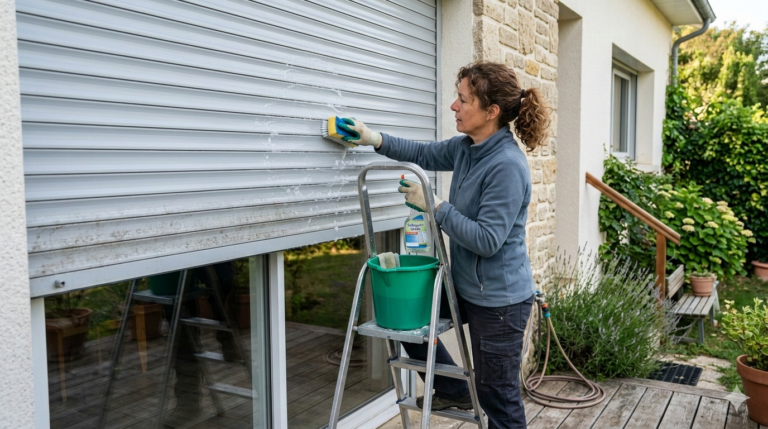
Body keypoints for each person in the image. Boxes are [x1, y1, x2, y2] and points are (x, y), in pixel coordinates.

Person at [336, 62, 552, 428]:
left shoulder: (507, 165)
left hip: (499, 303)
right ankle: (454, 389)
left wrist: (435, 206)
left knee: (498, 399)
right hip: (465, 287)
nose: (454, 105)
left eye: (463, 100)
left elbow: (487, 240)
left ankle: (466, 393)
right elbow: (423, 153)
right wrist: (373, 138)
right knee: (404, 319)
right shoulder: (467, 148)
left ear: (491, 111)